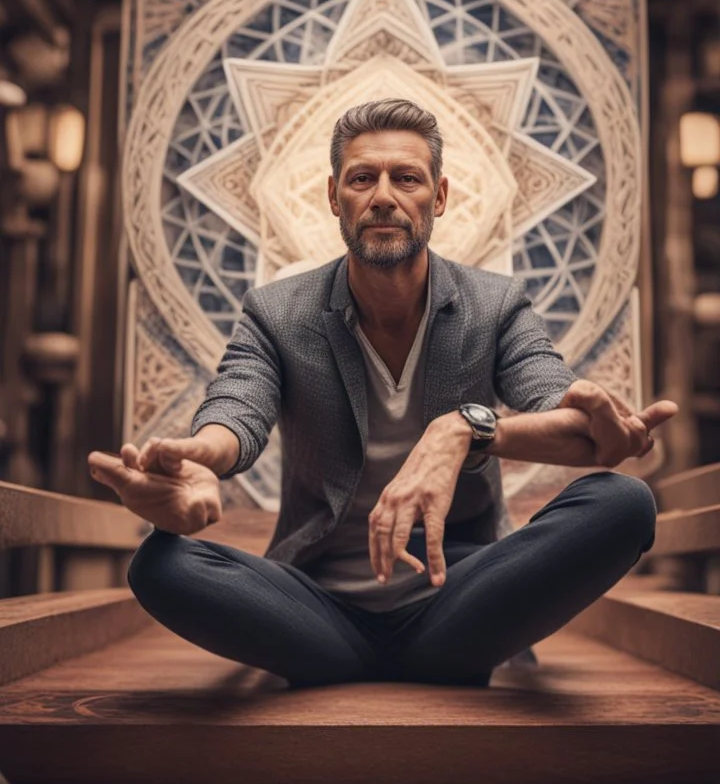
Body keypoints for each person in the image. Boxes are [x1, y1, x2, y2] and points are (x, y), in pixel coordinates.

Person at [89, 98, 676, 689]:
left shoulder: (494, 305)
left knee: (624, 504)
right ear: (333, 197)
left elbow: (575, 426)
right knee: (159, 565)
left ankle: (364, 663)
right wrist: (198, 457)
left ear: (439, 197)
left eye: (407, 178)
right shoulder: (277, 312)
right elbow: (237, 410)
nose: (385, 196)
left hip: (457, 596)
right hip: (318, 603)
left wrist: (462, 431)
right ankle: (414, 661)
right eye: (363, 178)